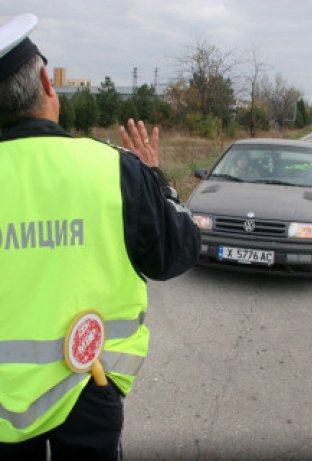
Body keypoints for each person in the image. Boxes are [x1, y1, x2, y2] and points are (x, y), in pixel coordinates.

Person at [0, 14, 200, 461]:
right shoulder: (115, 169)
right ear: (47, 86)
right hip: (88, 383)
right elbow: (176, 253)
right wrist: (154, 178)